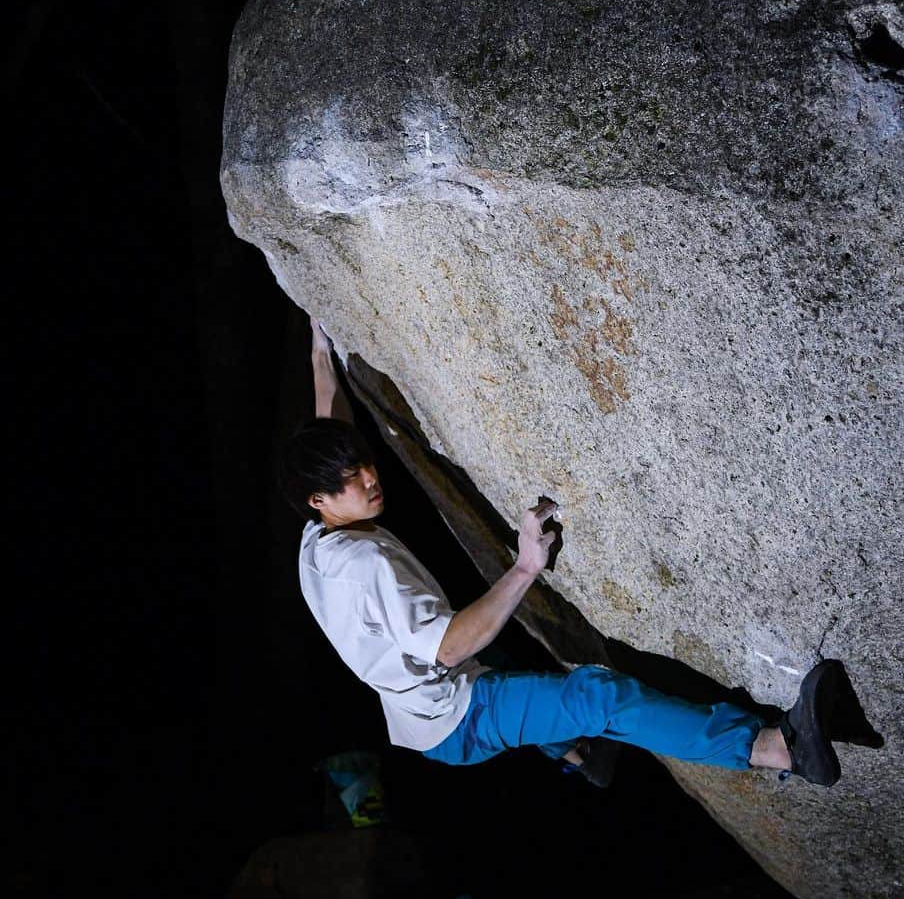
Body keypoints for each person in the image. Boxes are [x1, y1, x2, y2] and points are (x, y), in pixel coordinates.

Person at [279, 319, 844, 789]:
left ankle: (576, 757)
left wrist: (319, 349)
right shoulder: (367, 566)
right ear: (320, 498)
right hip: (458, 719)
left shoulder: (318, 534)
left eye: (365, 464)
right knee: (595, 696)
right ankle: (778, 749)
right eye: (352, 479)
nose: (371, 479)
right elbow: (449, 646)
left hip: (416, 713)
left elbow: (332, 425)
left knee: (507, 669)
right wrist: (525, 566)